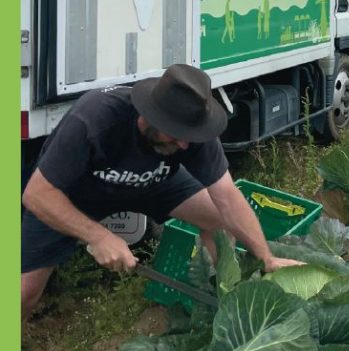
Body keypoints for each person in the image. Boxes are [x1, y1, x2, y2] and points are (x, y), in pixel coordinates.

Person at [21, 64, 303, 320]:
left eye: (189, 136)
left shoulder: (193, 132)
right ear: (149, 117)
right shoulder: (95, 118)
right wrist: (99, 235)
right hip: (74, 194)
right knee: (24, 295)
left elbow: (227, 196)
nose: (184, 145)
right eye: (175, 134)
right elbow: (36, 194)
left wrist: (267, 258)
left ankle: (223, 307)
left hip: (152, 181)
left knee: (217, 220)